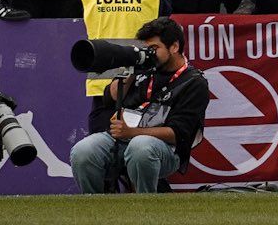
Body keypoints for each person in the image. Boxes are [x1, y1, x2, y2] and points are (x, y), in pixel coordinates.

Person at [71, 15, 210, 193]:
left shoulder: (194, 82)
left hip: (164, 149)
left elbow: (179, 134)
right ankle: (97, 210)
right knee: (83, 151)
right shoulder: (144, 70)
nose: (150, 54)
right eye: (147, 48)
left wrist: (132, 132)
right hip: (122, 140)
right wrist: (130, 69)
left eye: (154, 48)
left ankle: (144, 206)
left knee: (140, 147)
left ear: (174, 47)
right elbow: (111, 97)